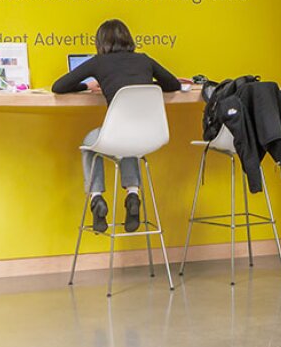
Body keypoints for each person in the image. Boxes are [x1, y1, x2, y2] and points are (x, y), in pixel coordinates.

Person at [52, 18, 183, 234]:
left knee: (91, 142)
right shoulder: (144, 60)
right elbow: (173, 84)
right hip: (149, 136)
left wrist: (90, 84)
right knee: (128, 143)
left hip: (117, 136)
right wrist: (147, 84)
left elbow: (59, 86)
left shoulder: (99, 62)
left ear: (101, 42)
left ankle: (96, 199)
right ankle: (133, 194)